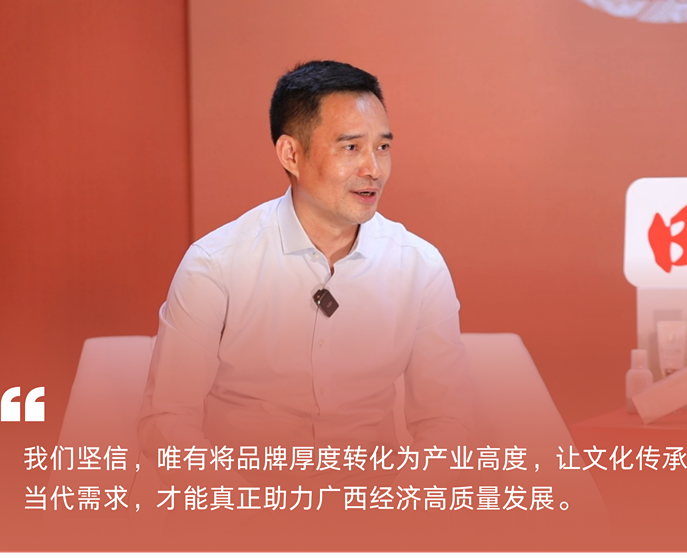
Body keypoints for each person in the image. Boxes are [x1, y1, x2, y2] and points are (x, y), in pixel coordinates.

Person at [137, 60, 473, 490]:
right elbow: (165, 420)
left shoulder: (419, 266)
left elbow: (447, 421)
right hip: (241, 499)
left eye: (383, 147)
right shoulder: (215, 264)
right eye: (351, 148)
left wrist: (403, 499)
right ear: (291, 155)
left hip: (373, 501)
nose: (374, 168)